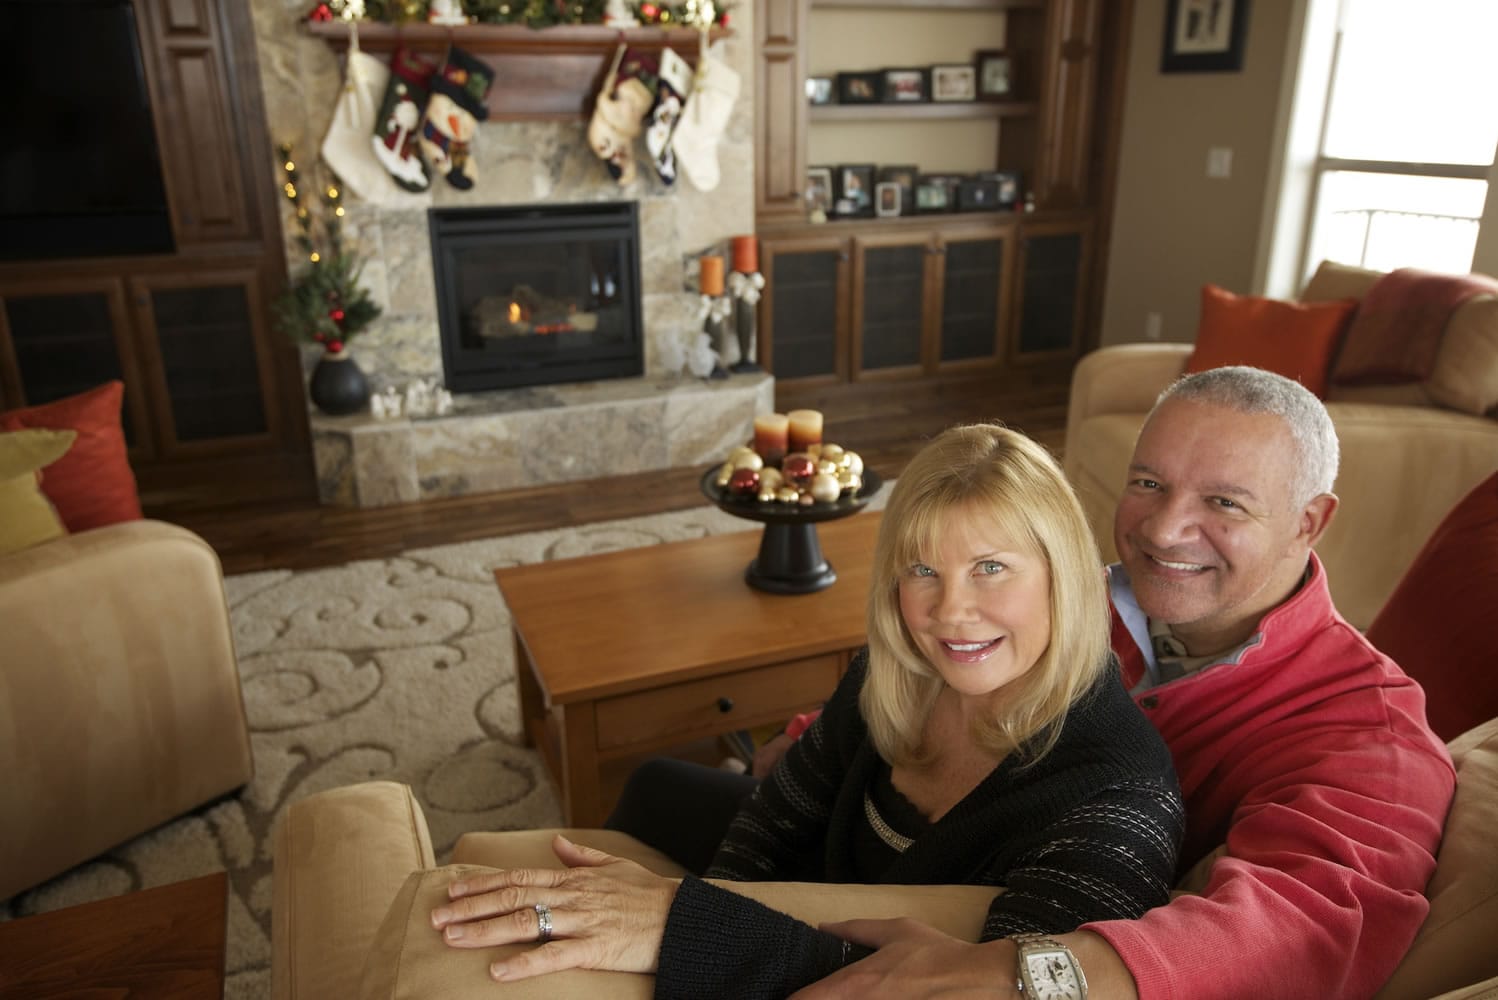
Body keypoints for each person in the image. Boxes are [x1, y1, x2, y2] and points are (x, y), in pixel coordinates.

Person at [430, 424, 1185, 997]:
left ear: (1066, 579)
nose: (950, 612)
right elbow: (776, 815)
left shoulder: (1119, 799)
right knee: (658, 782)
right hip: (819, 897)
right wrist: (692, 909)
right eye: (922, 569)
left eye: (991, 569)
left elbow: (937, 989)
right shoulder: (897, 671)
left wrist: (678, 927)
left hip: (845, 962)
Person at [790, 365, 1458, 1000]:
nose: (1164, 530)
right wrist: (812, 745)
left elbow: (1304, 925)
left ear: (1308, 523)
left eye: (1224, 502)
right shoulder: (1068, 595)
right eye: (1148, 484)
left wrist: (1020, 977)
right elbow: (918, 675)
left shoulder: (1373, 734)